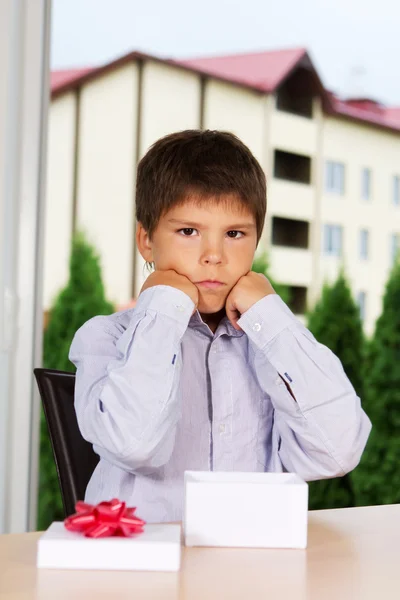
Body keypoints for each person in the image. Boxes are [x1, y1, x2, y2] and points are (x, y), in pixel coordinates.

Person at [69, 130, 371, 523]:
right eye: (188, 232)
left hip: (252, 567)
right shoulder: (104, 338)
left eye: (234, 234)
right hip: (144, 570)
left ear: (256, 240)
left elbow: (338, 450)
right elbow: (135, 444)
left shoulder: (275, 343)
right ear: (146, 239)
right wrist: (163, 307)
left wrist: (269, 313)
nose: (214, 255)